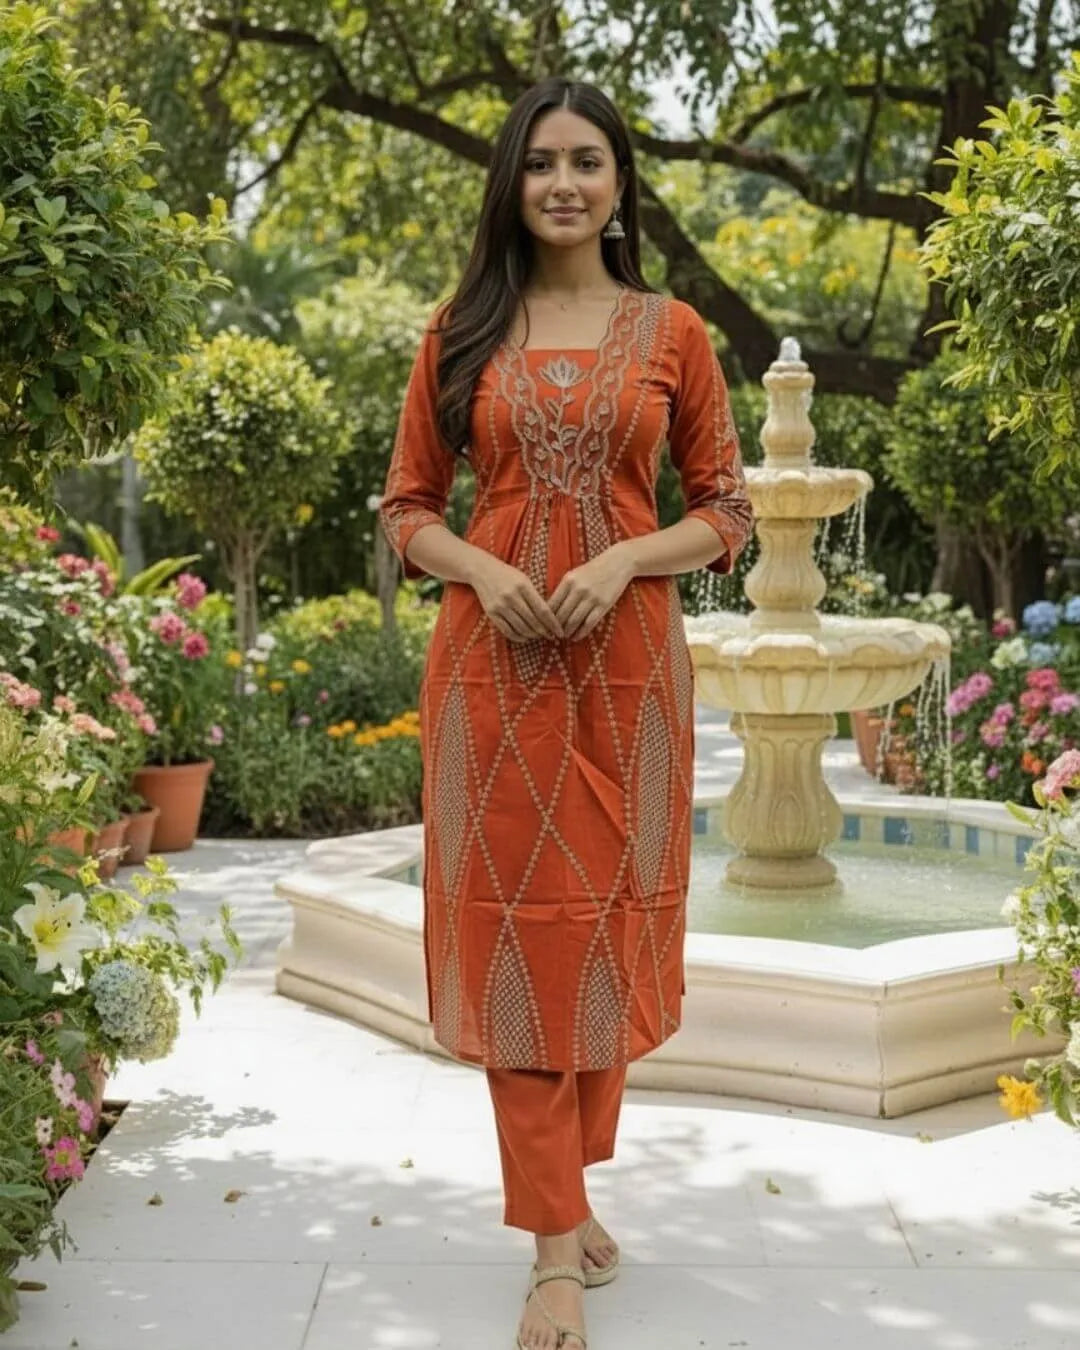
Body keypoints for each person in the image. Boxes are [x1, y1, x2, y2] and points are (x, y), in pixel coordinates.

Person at [377, 74, 753, 1350]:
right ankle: (551, 1249)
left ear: (620, 183)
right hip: (492, 680)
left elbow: (727, 509)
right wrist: (485, 572)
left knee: (607, 927)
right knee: (518, 937)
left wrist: (624, 558)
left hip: (629, 677)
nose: (563, 184)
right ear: (511, 183)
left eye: (587, 160)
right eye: (540, 162)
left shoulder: (673, 332)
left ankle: (566, 1185)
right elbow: (407, 507)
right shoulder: (461, 329)